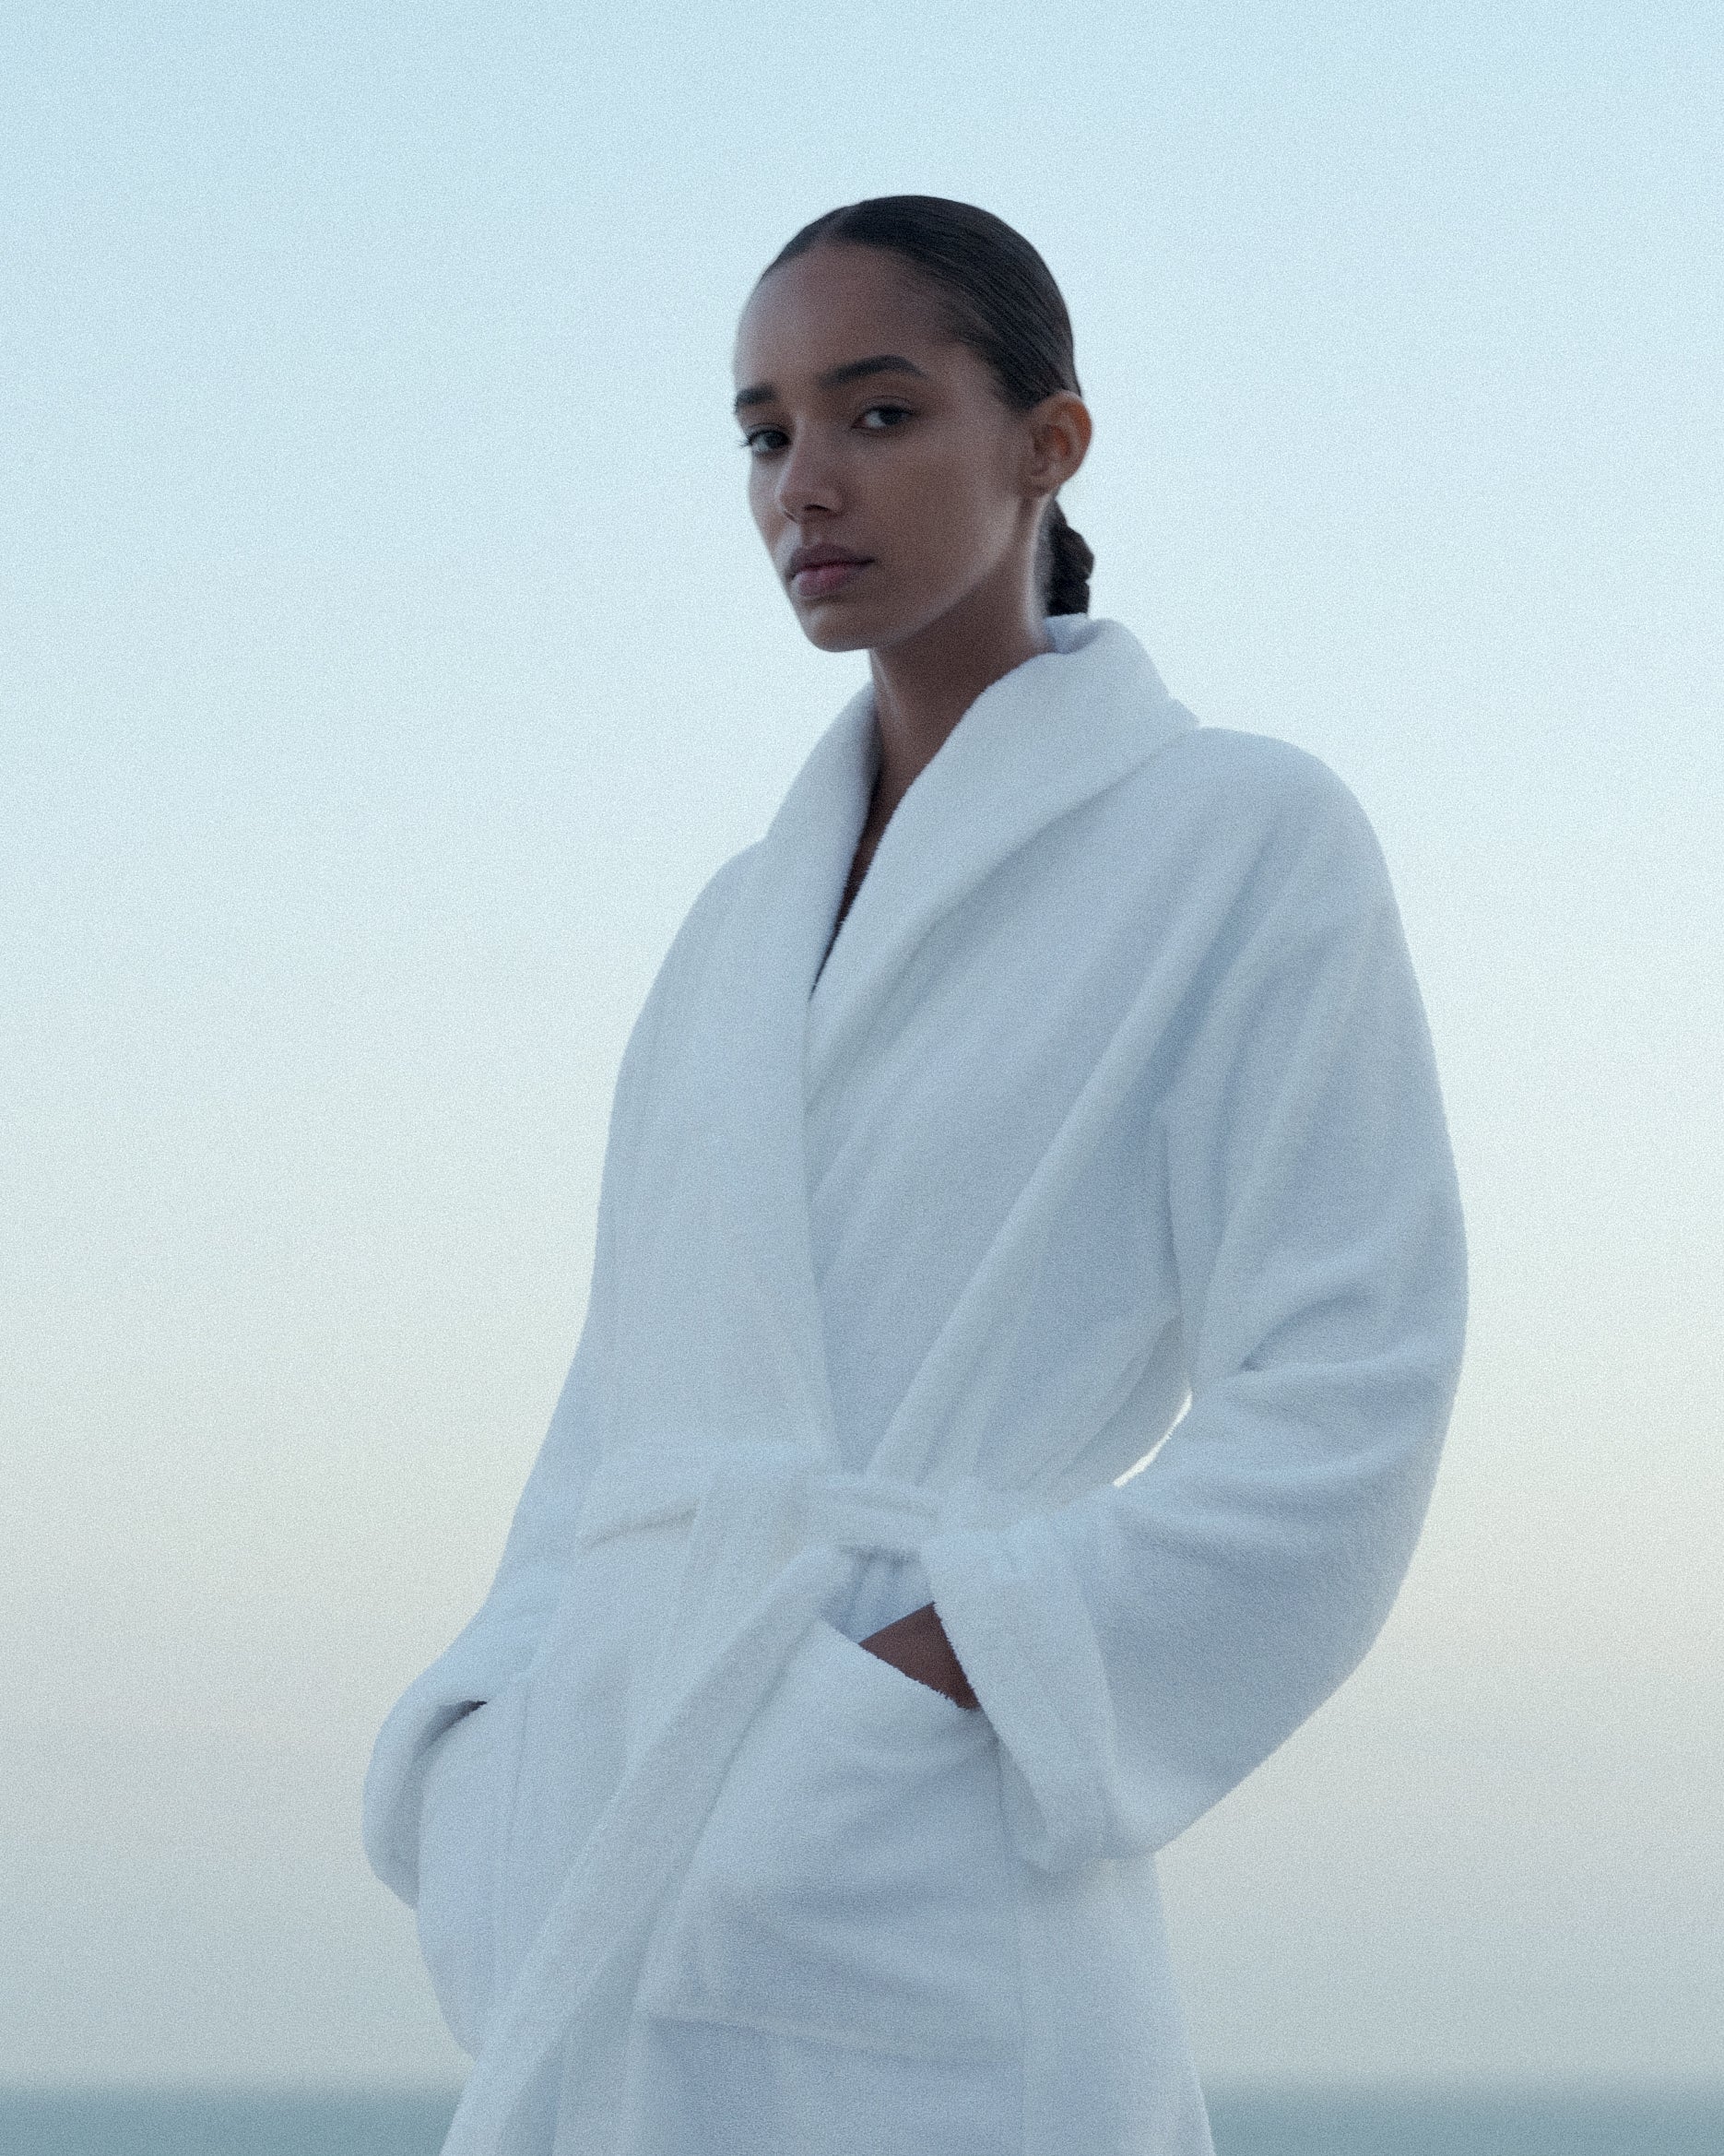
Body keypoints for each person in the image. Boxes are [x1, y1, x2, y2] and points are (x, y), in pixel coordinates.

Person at [363, 195, 1468, 2156]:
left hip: (912, 1833)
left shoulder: (1241, 839)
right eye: (764, 431)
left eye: (876, 414)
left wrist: (949, 1675)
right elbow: (620, 1404)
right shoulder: (731, 927)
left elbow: (1348, 1389)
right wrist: (482, 1754)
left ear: (1047, 442)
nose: (806, 483)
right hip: (610, 1811)